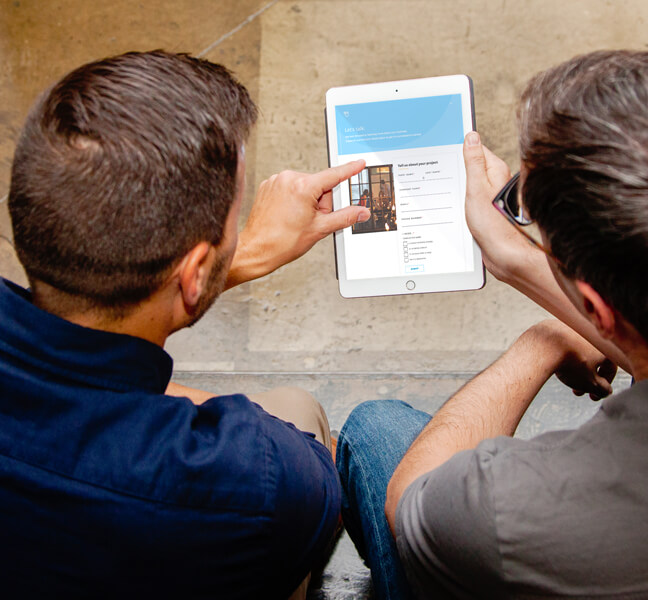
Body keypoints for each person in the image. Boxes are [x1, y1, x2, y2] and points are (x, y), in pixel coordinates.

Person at [1, 50, 370, 599]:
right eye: (234, 221)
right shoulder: (259, 473)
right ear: (195, 271)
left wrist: (236, 258)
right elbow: (313, 490)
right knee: (299, 410)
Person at [337, 49, 648, 599]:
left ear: (597, 312)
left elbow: (408, 500)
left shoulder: (511, 510)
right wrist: (516, 257)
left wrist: (541, 341)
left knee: (376, 428)